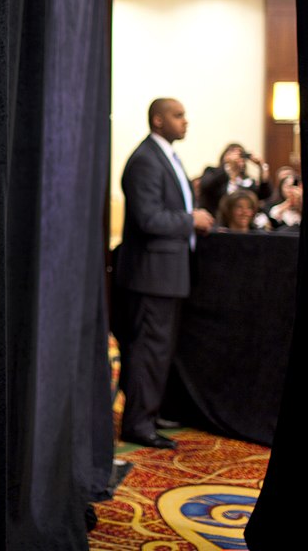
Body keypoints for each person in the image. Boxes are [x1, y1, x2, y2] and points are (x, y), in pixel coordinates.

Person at [113, 98, 214, 449]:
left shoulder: (165, 156)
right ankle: (138, 424)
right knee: (147, 349)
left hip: (166, 273)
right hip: (150, 274)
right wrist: (192, 220)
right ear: (158, 121)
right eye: (178, 115)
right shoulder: (145, 160)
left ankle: (150, 413)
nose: (186, 121)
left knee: (159, 349)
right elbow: (148, 218)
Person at [198, 143, 270, 217]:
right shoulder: (212, 172)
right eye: (232, 153)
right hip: (216, 220)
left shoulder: (247, 181)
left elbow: (264, 195)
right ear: (225, 156)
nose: (237, 158)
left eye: (240, 155)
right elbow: (206, 186)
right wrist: (228, 167)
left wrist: (262, 166)